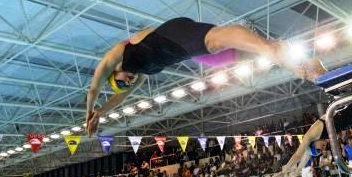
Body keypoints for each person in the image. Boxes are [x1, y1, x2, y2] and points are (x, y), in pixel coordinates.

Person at [86, 17, 325, 136]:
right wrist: (102, 112)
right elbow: (119, 98)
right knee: (237, 56)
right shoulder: (138, 74)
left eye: (120, 81)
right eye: (124, 84)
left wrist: (90, 110)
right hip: (183, 52)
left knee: (216, 40)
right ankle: (296, 60)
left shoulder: (117, 54)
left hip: (170, 35)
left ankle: (271, 50)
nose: (126, 82)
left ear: (113, 73)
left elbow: (93, 88)